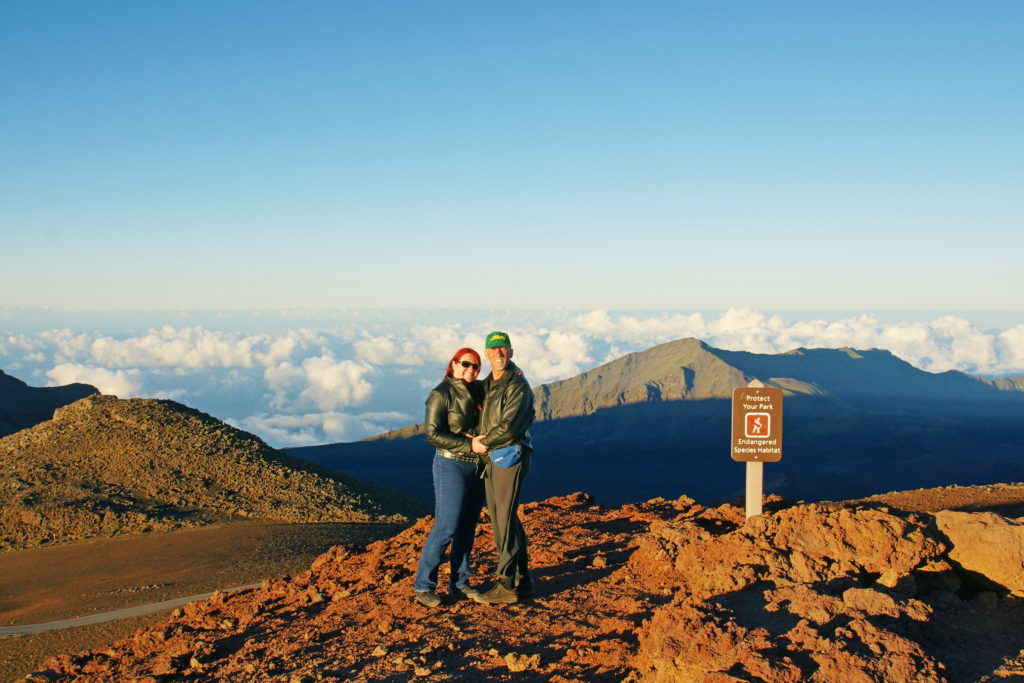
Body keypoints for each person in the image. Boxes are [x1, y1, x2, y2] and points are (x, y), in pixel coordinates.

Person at [412, 347, 486, 607]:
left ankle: (461, 583)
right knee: (446, 527)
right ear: (453, 364)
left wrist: (515, 372)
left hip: (477, 466)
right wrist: (468, 446)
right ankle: (424, 586)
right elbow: (432, 434)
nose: (470, 370)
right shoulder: (441, 394)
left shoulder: (478, 389)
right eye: (465, 364)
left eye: (476, 366)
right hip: (450, 464)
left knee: (467, 528)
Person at [471, 331, 535, 604]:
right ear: (486, 354)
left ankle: (507, 584)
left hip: (509, 455)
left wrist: (482, 444)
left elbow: (510, 426)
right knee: (501, 516)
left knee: (504, 519)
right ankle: (522, 578)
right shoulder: (487, 385)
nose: (499, 354)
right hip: (492, 458)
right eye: (494, 349)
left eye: (503, 349)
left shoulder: (517, 386)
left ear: (511, 351)